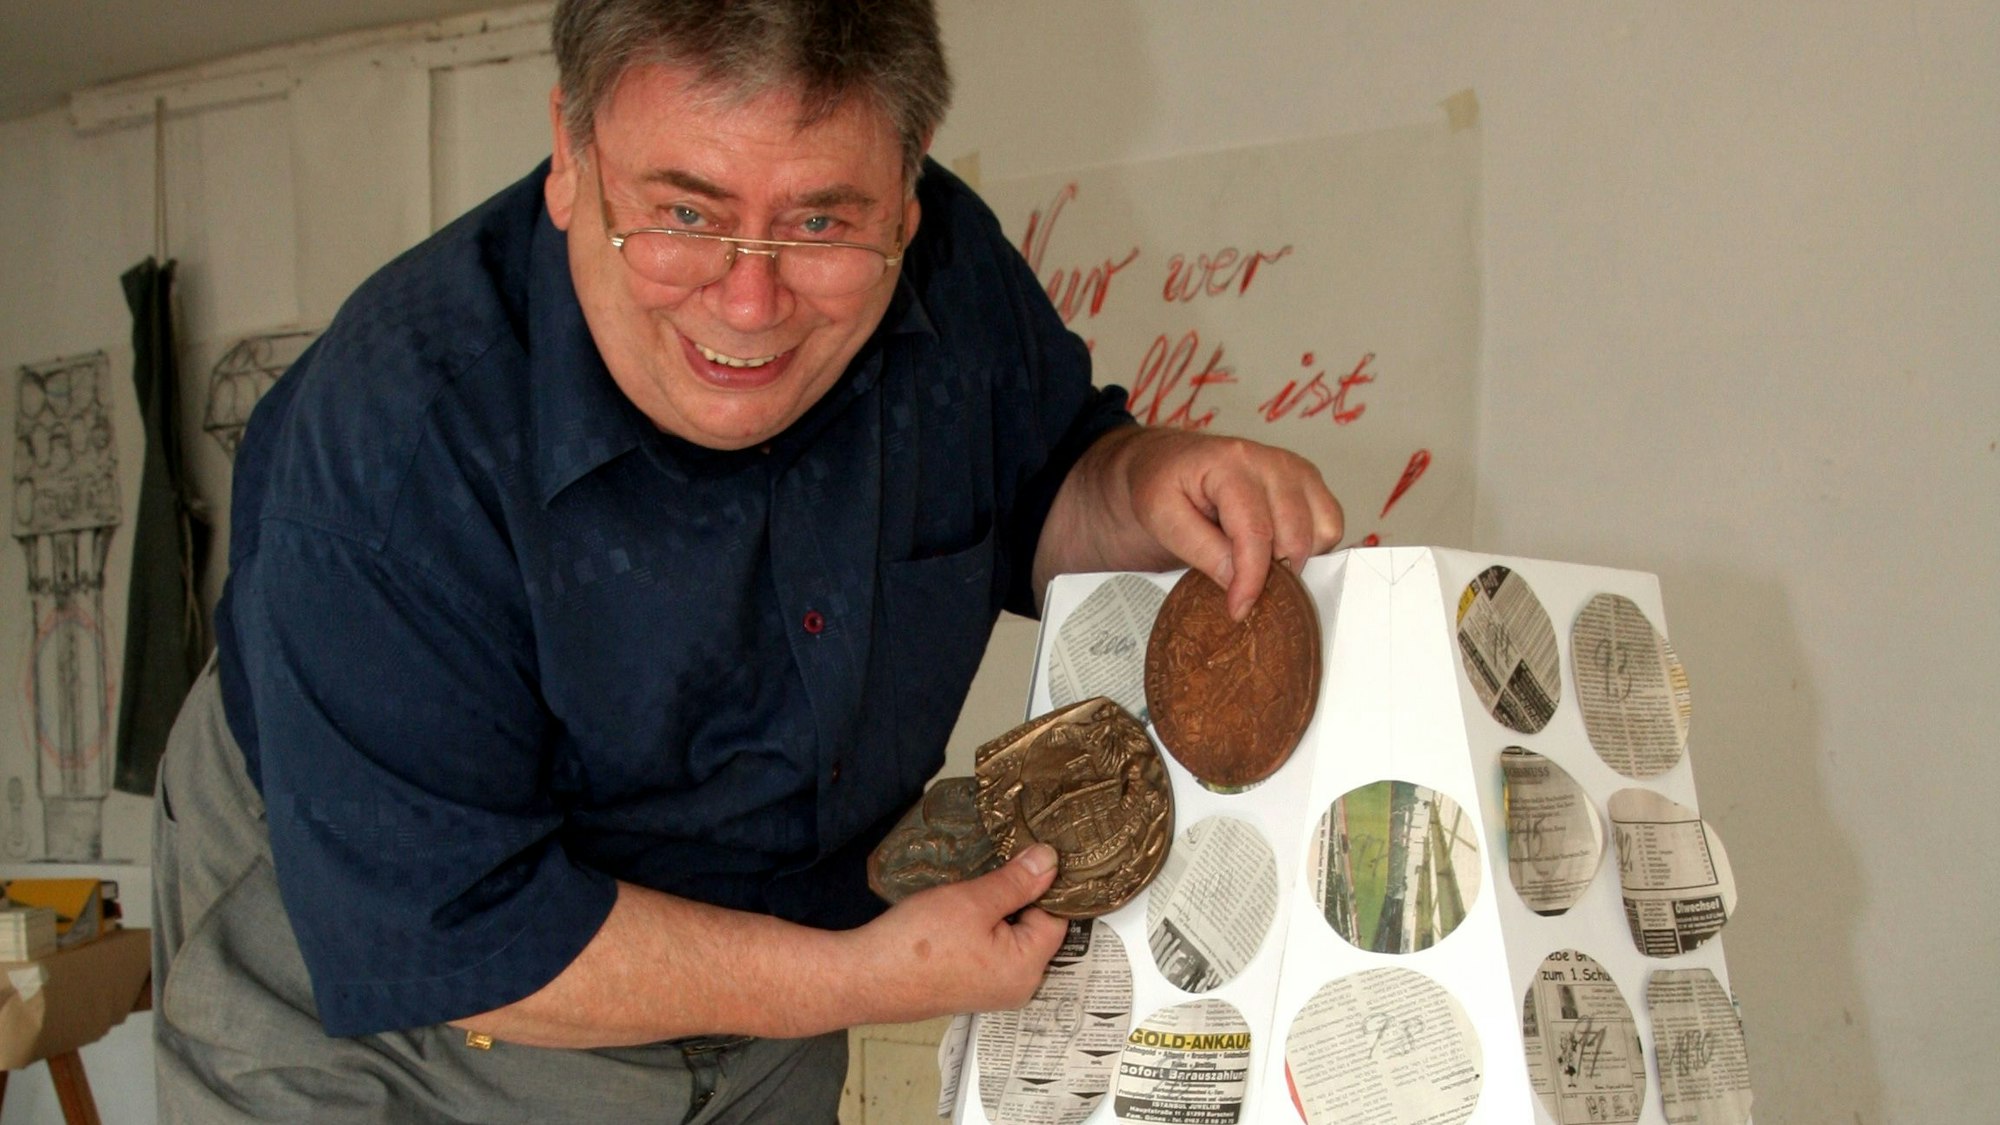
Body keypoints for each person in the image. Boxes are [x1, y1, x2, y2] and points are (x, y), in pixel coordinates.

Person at [150, 1, 1343, 1121]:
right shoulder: (385, 452)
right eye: (683, 214)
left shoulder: (949, 276)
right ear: (568, 153)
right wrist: (855, 983)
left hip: (785, 969)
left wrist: (1140, 479)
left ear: (909, 184)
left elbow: (1047, 490)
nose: (751, 300)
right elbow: (455, 935)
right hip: (390, 1024)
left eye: (821, 222)